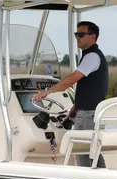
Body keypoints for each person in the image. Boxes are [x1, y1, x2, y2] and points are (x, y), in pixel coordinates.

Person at [31, 20, 108, 167]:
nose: (77, 38)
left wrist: (47, 92)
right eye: (76, 34)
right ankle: (102, 176)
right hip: (91, 112)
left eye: (81, 35)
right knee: (92, 151)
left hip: (88, 113)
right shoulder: (92, 56)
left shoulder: (92, 56)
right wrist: (77, 105)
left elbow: (72, 79)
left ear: (93, 37)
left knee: (84, 152)